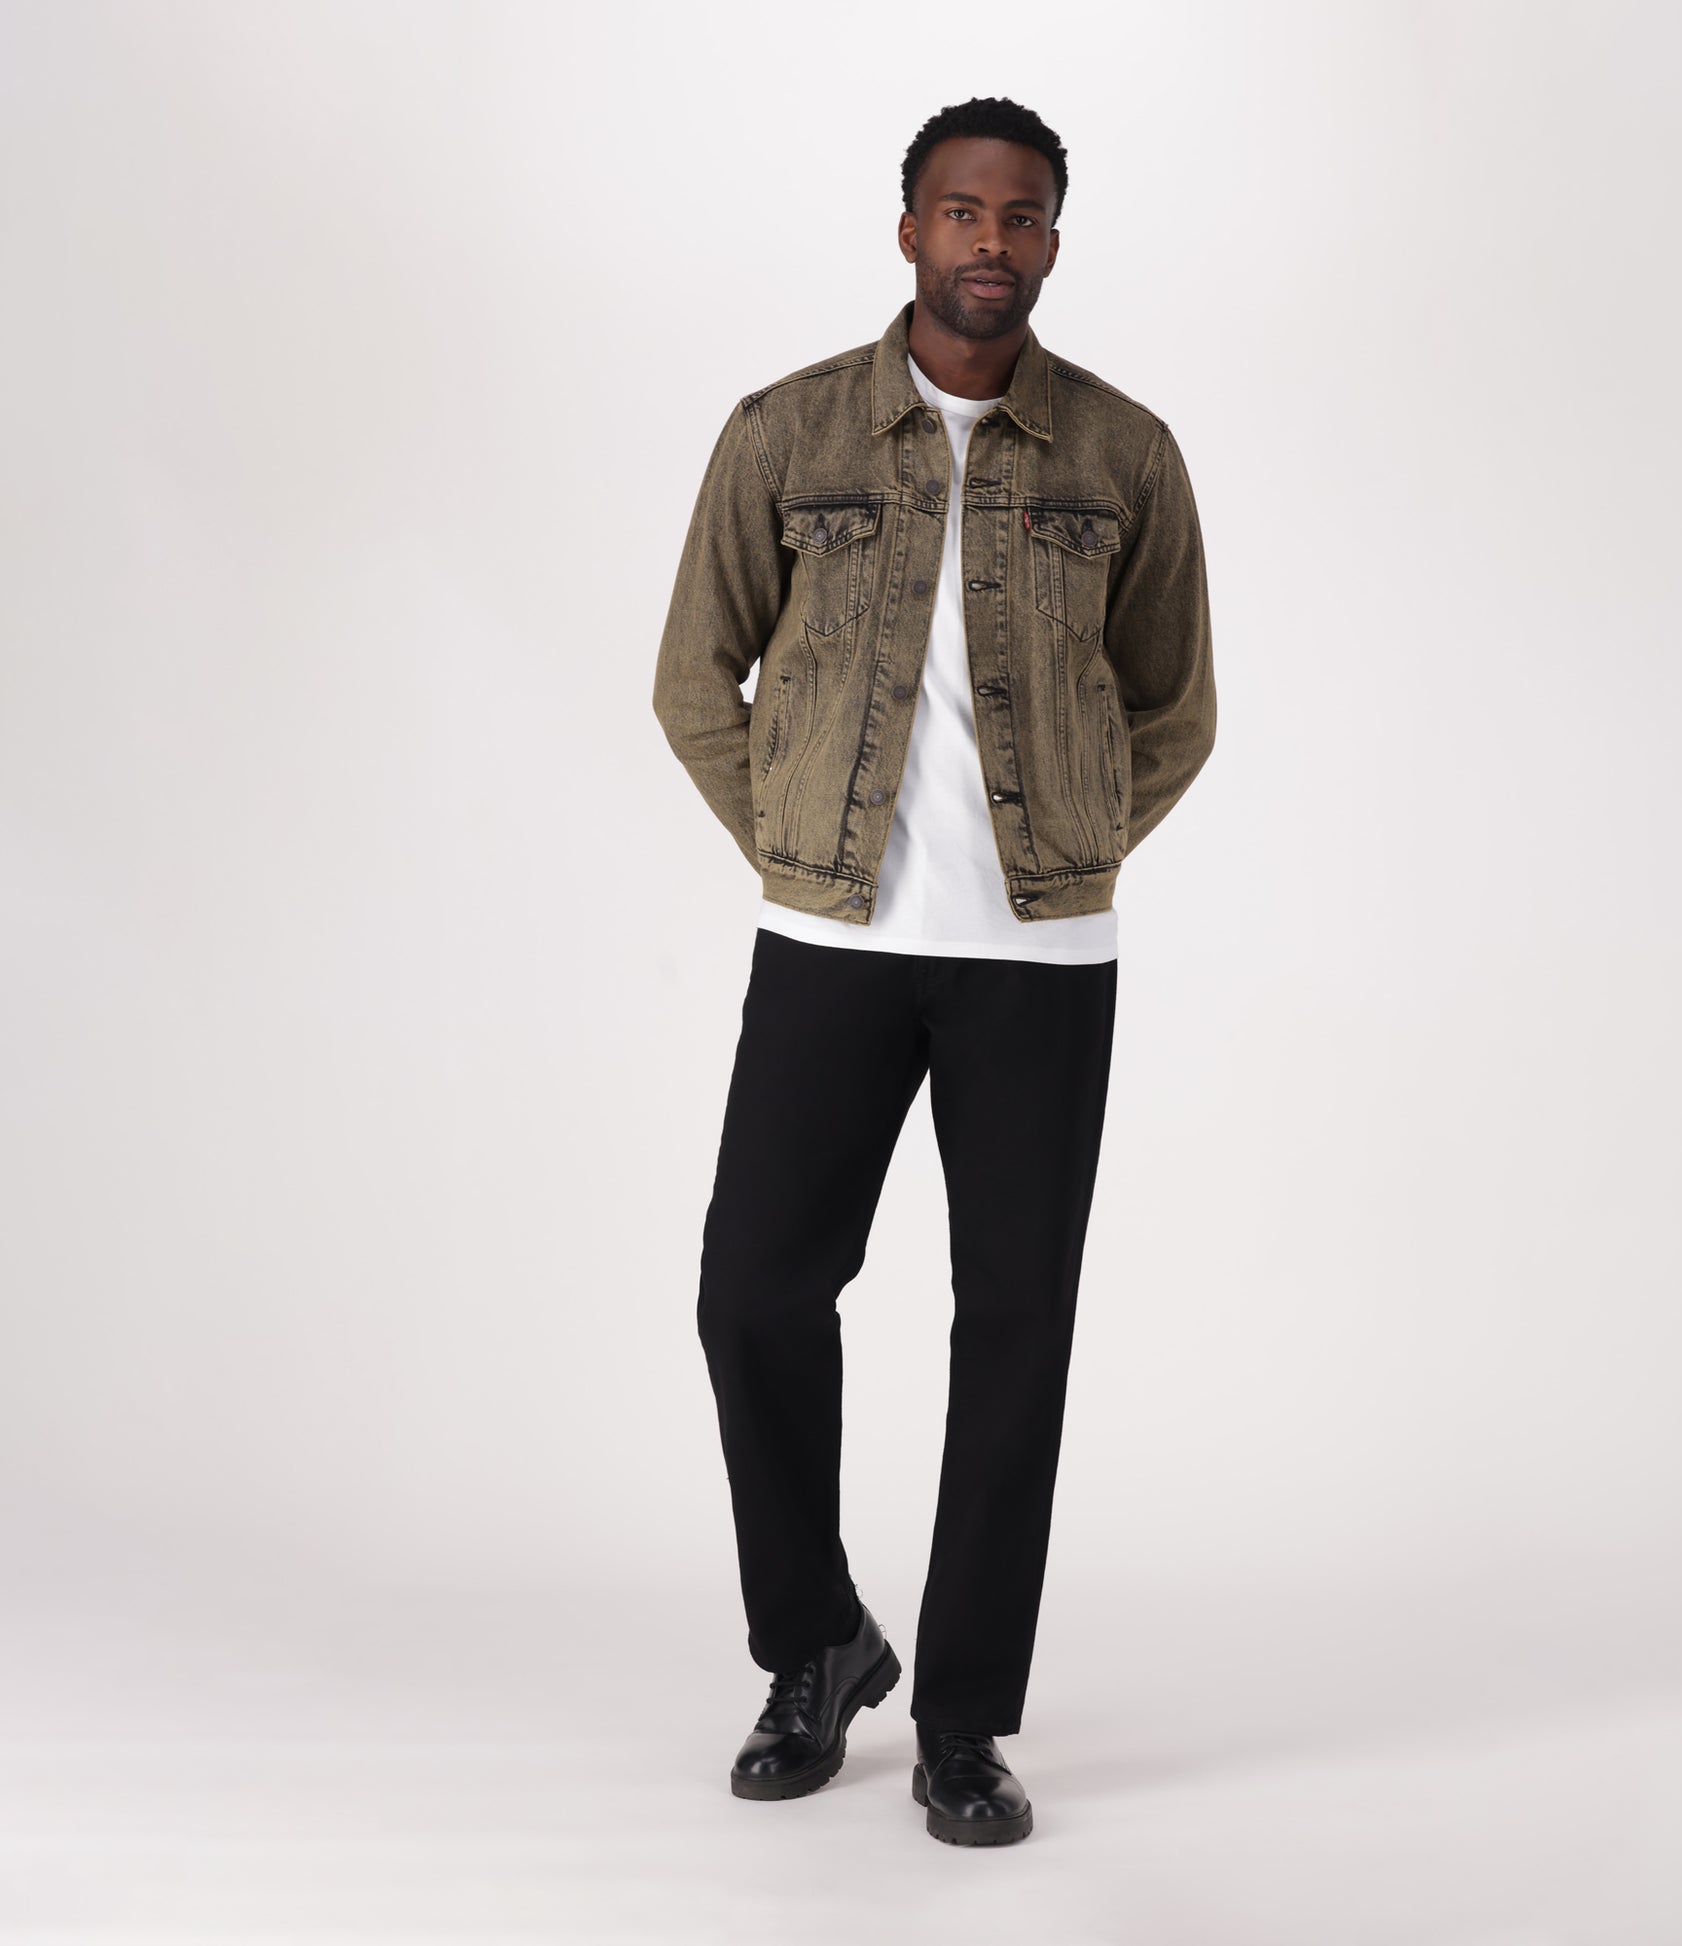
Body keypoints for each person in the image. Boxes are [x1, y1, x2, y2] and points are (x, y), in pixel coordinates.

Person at [652, 94, 1216, 1846]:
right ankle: (815, 1642)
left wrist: (1074, 847)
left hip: (1039, 962)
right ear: (909, 229)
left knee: (1015, 1329)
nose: (991, 239)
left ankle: (964, 1719)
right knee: (754, 1293)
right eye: (962, 210)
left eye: (1021, 215)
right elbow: (693, 678)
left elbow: (1176, 704)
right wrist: (798, 844)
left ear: (1051, 241)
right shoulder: (785, 430)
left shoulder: (1123, 453)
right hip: (830, 943)